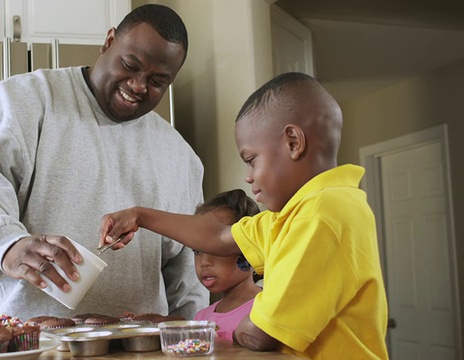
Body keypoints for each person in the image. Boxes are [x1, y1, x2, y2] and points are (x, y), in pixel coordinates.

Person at [0, 4, 208, 325]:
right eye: (130, 65)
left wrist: (189, 326)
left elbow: (190, 267)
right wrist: (7, 247)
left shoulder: (179, 157)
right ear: (108, 42)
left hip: (131, 350)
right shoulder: (24, 101)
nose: (138, 85)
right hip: (9, 344)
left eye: (158, 81)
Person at [98, 72, 389, 359]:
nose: (248, 177)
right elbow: (217, 236)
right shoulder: (292, 215)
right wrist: (139, 216)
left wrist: (221, 332)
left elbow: (262, 333)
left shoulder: (322, 215)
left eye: (251, 160)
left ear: (293, 142)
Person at [191, 189, 262, 343]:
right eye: (197, 251)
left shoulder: (265, 310)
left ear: (249, 248)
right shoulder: (201, 318)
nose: (204, 262)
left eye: (216, 249)